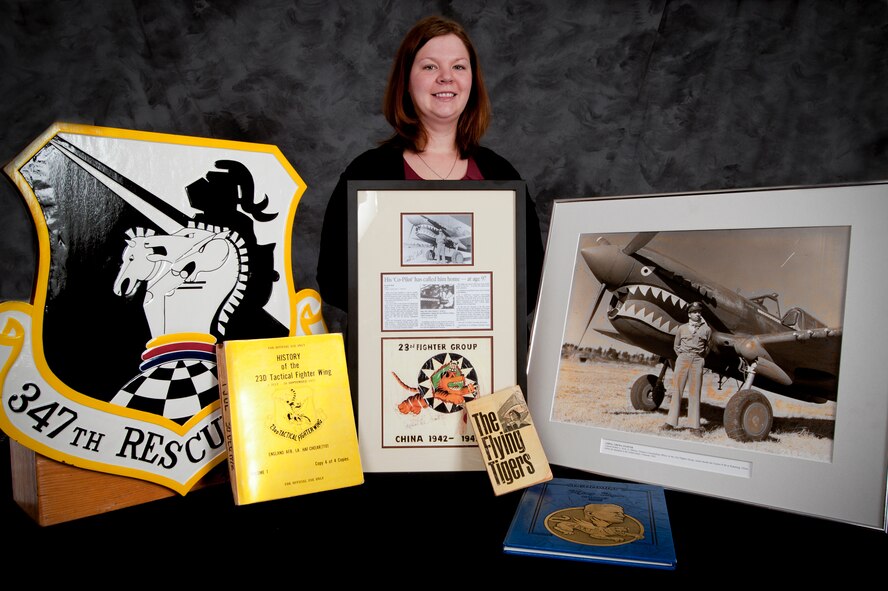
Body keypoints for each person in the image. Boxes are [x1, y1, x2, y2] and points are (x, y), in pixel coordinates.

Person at [316, 15, 545, 316]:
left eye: (459, 67)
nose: (446, 77)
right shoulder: (366, 174)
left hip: (485, 356)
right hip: (392, 356)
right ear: (407, 83)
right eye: (429, 66)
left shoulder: (501, 175)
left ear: (472, 83)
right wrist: (425, 305)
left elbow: (531, 286)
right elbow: (333, 281)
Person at [662, 301, 712, 436]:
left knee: (695, 392)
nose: (698, 314)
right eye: (695, 312)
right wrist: (683, 356)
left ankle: (694, 426)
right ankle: (670, 422)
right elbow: (676, 346)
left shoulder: (707, 330)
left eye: (699, 312)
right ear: (689, 314)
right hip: (683, 359)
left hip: (697, 360)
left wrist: (699, 358)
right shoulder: (682, 328)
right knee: (677, 389)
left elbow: (707, 347)